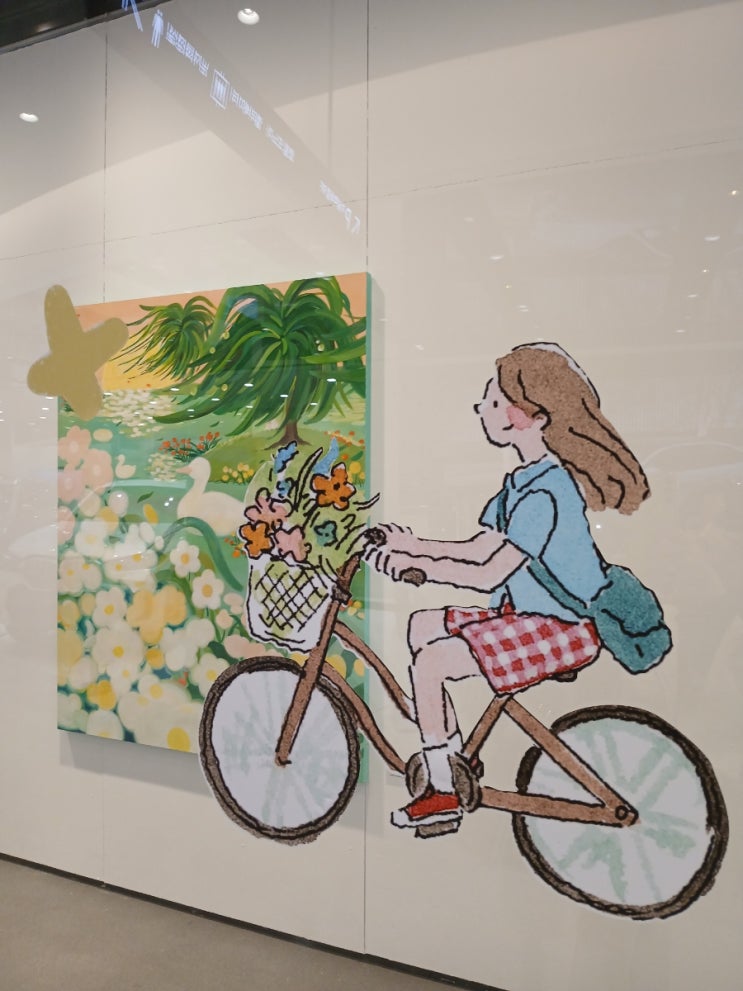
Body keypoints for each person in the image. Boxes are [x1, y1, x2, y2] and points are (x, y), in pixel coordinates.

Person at [365, 343, 650, 831]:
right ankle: (454, 759)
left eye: (495, 401)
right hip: (526, 618)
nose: (483, 408)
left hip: (563, 628)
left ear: (535, 416)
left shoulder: (548, 491)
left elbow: (489, 573)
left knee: (432, 662)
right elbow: (479, 548)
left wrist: (420, 568)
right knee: (421, 626)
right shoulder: (521, 483)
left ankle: (441, 791)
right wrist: (411, 547)